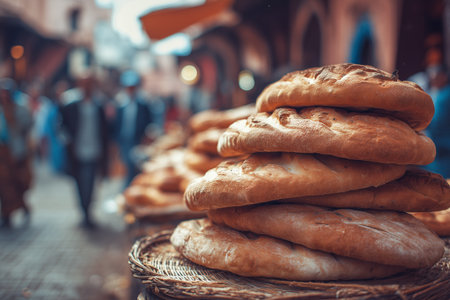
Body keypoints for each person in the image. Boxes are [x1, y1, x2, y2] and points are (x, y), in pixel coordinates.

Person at [60, 74, 109, 228]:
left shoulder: (99, 104)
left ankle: (87, 211)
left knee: (90, 182)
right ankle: (84, 211)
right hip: (78, 151)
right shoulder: (71, 104)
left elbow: (105, 130)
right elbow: (62, 126)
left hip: (94, 150)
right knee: (80, 183)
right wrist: (68, 142)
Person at [0, 78, 33, 228]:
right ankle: (7, 213)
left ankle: (22, 206)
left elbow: (27, 125)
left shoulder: (19, 108)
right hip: (2, 153)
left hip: (15, 152)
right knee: (5, 184)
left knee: (18, 182)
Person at [114, 70, 153, 187]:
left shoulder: (143, 104)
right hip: (124, 140)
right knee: (126, 165)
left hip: (138, 140)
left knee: (135, 166)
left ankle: (131, 188)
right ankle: (127, 188)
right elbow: (116, 123)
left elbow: (148, 122)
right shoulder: (120, 104)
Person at [425, 66, 450, 178]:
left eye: (436, 77)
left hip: (443, 147)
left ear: (444, 77)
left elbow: (436, 122)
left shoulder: (445, 96)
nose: (433, 80)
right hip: (439, 147)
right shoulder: (438, 94)